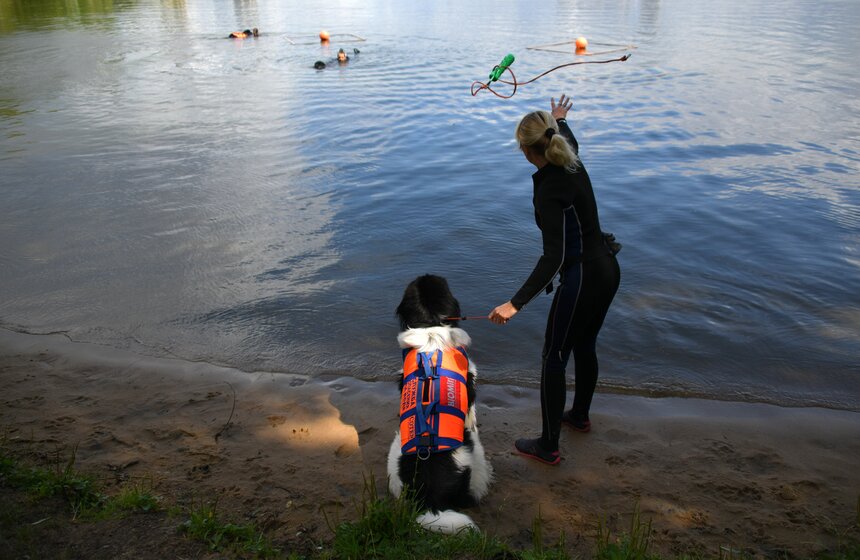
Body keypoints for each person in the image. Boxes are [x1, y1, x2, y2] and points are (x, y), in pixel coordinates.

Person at [489, 94, 621, 466]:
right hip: (608, 269)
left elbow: (555, 257)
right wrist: (559, 118)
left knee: (553, 356)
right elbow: (566, 136)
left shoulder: (549, 189)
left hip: (582, 278)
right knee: (585, 344)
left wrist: (515, 303)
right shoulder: (571, 157)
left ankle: (548, 445)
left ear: (525, 149)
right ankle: (578, 416)